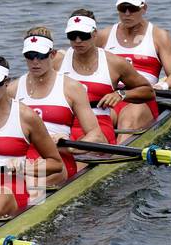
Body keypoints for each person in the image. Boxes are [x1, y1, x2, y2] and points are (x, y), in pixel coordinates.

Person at [0, 54, 63, 219]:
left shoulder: (26, 117)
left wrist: (24, 167)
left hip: (13, 185)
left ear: (7, 82)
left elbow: (56, 164)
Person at [9, 26, 104, 185]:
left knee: (21, 184)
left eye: (40, 56)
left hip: (57, 160)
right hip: (23, 158)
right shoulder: (12, 89)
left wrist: (69, 148)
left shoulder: (72, 88)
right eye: (30, 56)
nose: (35, 61)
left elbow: (97, 136)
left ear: (52, 55)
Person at [51, 9, 153, 146]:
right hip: (64, 125)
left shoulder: (114, 63)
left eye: (83, 35)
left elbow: (148, 91)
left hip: (97, 127)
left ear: (94, 34)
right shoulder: (56, 61)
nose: (77, 40)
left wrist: (121, 94)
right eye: (72, 35)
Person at [97, 0, 171, 133]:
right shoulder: (104, 35)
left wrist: (161, 86)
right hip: (112, 97)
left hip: (142, 98)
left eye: (133, 8)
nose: (127, 13)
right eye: (123, 8)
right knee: (96, 124)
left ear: (144, 8)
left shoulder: (159, 36)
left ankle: (121, 153)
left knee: (128, 120)